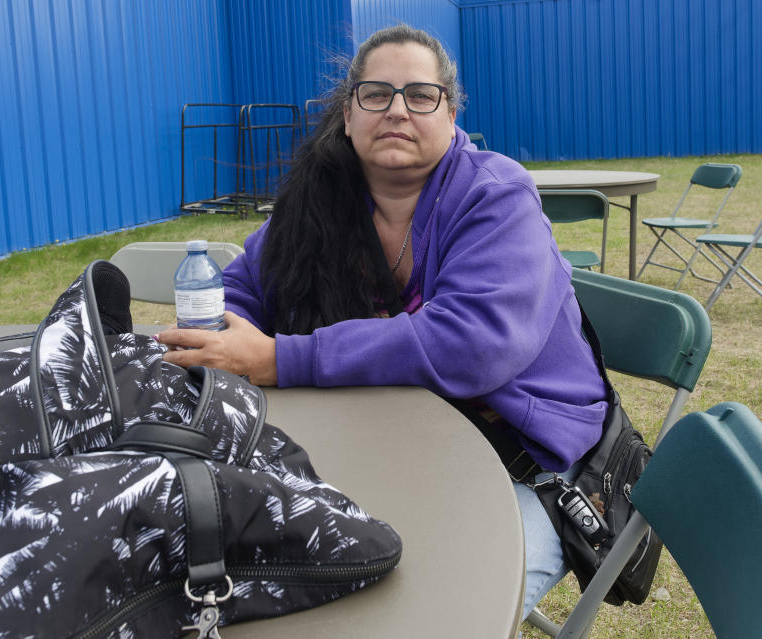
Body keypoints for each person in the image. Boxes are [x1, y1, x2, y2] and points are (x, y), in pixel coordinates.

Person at [157, 24, 608, 619]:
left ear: (452, 115)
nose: (397, 109)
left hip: (524, 462)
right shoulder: (321, 201)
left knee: (434, 617)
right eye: (376, 94)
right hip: (383, 442)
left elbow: (471, 344)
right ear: (349, 115)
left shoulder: (496, 195)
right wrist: (231, 335)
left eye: (420, 95)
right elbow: (242, 289)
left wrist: (281, 358)